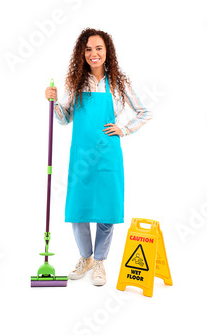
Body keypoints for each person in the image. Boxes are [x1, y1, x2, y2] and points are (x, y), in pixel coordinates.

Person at [45, 29, 152, 286]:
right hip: (81, 155)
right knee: (78, 210)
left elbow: (144, 112)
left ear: (107, 52)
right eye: (89, 49)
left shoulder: (118, 84)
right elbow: (63, 118)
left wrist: (124, 129)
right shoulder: (76, 84)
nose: (94, 54)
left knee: (106, 210)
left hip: (107, 156)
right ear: (82, 53)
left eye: (99, 48)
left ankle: (100, 262)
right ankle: (86, 257)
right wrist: (54, 102)